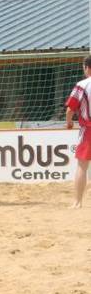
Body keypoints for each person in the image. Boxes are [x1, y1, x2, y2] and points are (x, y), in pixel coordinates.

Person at [65, 55, 91, 208]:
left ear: (87, 67)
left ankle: (78, 202)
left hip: (88, 130)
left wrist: (69, 122)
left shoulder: (82, 85)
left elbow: (70, 109)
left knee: (82, 166)